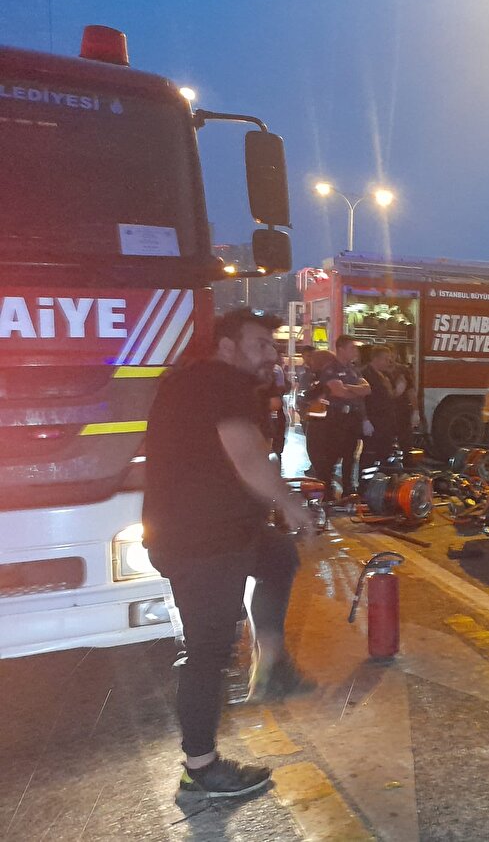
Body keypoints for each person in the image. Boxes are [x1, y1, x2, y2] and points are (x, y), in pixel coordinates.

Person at [142, 309, 316, 799]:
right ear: (228, 346)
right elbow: (244, 456)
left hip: (214, 530)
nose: (271, 354)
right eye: (260, 343)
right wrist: (291, 504)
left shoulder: (194, 381)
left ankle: (272, 664)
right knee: (208, 651)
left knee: (278, 556)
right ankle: (200, 768)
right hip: (204, 542)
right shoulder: (223, 382)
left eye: (273, 345)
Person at [309, 335, 370, 500]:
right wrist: (354, 390)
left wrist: (349, 388)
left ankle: (348, 490)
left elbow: (367, 389)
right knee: (332, 456)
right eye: (352, 348)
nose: (355, 351)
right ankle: (327, 492)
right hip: (336, 419)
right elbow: (339, 392)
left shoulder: (353, 369)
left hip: (352, 418)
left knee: (350, 456)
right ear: (341, 349)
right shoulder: (331, 369)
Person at [360, 345, 399, 469]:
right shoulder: (365, 374)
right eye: (386, 359)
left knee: (384, 455)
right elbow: (361, 399)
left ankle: (382, 483)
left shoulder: (385, 375)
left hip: (386, 423)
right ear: (376, 359)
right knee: (369, 456)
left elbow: (389, 396)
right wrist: (365, 420)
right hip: (374, 421)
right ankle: (365, 485)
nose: (389, 362)